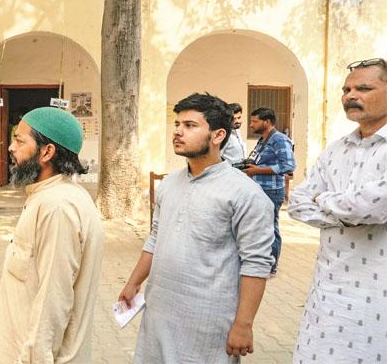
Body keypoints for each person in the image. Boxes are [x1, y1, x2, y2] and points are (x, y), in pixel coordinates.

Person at [119, 93, 274, 363]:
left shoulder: (245, 194)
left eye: (190, 126)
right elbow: (155, 239)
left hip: (208, 323)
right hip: (159, 313)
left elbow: (256, 264)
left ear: (217, 135)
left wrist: (243, 325)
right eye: (177, 124)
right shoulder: (169, 184)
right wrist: (133, 283)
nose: (178, 132)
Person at [0, 107, 104, 364]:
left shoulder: (58, 207)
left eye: (19, 140)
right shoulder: (47, 197)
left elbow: (55, 298)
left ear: (47, 151)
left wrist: (34, 359)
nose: (10, 148)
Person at [288, 57, 387, 363]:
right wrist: (345, 209)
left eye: (363, 88)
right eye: (346, 89)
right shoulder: (336, 149)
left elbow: (372, 205)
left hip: (378, 296)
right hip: (328, 292)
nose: (349, 95)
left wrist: (323, 199)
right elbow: (297, 203)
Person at [243, 107, 296, 275]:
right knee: (259, 227)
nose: (251, 125)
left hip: (271, 191)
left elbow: (288, 166)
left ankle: (271, 266)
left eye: (254, 121)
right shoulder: (263, 140)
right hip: (259, 189)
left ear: (266, 122)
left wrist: (257, 170)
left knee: (270, 227)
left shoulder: (279, 139)